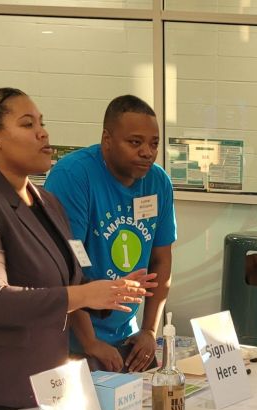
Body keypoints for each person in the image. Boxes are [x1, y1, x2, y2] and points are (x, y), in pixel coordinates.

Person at [0, 88, 155, 410]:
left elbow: (71, 277)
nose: (42, 133)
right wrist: (83, 295)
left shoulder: (47, 202)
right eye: (27, 124)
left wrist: (109, 293)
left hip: (41, 379)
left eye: (42, 123)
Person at [45, 95, 175, 374]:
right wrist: (90, 341)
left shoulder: (158, 182)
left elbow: (161, 260)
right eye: (135, 142)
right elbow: (69, 264)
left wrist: (149, 330)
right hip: (70, 338)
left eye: (154, 144)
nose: (147, 152)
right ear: (107, 139)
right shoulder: (73, 175)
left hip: (124, 332)